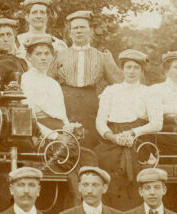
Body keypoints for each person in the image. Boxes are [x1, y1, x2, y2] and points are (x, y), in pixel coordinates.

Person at [51, 10, 123, 148]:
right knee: (66, 142)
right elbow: (48, 81)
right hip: (65, 103)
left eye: (83, 27)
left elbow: (119, 83)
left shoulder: (102, 56)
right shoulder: (59, 56)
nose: (79, 31)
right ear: (70, 32)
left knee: (89, 142)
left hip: (91, 105)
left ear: (91, 31)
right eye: (75, 28)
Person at [94, 49, 162, 186]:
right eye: (128, 67)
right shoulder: (111, 91)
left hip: (139, 141)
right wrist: (112, 137)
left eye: (136, 68)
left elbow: (157, 124)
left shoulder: (149, 92)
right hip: (112, 139)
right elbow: (100, 121)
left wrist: (132, 133)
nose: (132, 71)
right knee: (102, 161)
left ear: (141, 70)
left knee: (137, 166)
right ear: (122, 69)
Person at [20, 34, 76, 135]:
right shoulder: (26, 79)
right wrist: (55, 137)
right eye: (38, 54)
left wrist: (68, 131)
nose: (43, 58)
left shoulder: (54, 84)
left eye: (47, 54)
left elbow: (63, 116)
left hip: (59, 131)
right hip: (40, 134)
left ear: (53, 56)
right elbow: (30, 118)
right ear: (28, 57)